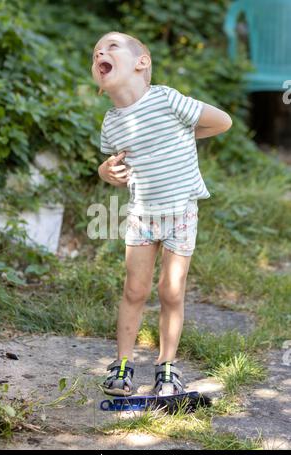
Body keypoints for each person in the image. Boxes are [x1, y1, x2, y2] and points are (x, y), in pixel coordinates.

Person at [91, 31, 232, 397]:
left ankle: (166, 366)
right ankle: (122, 365)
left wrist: (184, 134)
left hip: (181, 211)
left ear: (142, 62)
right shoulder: (112, 122)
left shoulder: (167, 100)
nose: (100, 53)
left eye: (111, 47)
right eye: (96, 54)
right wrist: (106, 173)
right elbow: (114, 166)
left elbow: (223, 122)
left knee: (171, 291)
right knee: (134, 289)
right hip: (142, 213)